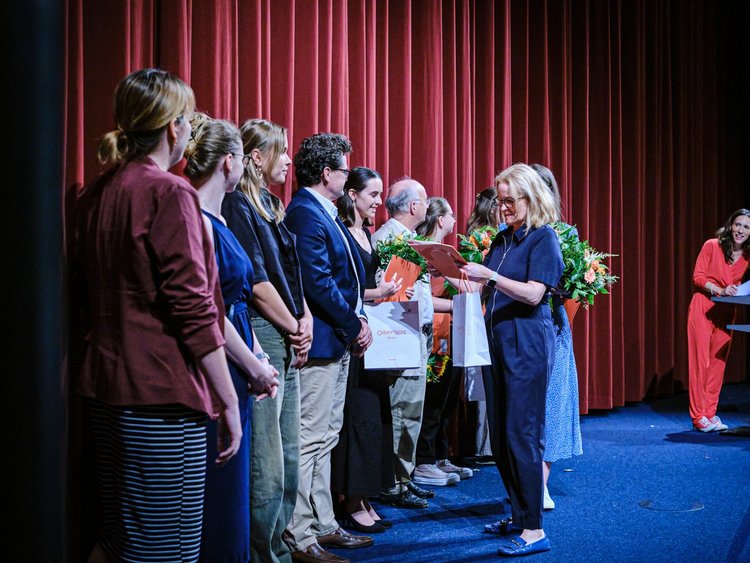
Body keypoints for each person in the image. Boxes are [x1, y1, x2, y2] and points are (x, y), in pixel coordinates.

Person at [68, 68, 242, 563]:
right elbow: (193, 308)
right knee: (167, 550)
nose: (190, 130)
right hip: (160, 397)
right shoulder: (169, 193)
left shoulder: (100, 192)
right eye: (188, 120)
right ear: (173, 128)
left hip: (106, 388)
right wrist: (227, 400)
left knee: (121, 540)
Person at [184, 114, 280, 562]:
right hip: (220, 362)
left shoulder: (220, 219)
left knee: (236, 486)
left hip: (241, 355)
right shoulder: (199, 221)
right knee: (220, 492)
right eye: (242, 158)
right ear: (229, 163)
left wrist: (259, 354)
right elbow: (211, 311)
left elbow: (236, 298)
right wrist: (255, 364)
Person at [222, 118, 313, 563]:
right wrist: (296, 327)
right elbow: (256, 283)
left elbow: (291, 276)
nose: (289, 161)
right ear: (256, 158)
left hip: (288, 330)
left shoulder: (274, 207)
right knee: (268, 463)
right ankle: (264, 553)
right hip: (265, 333)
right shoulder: (238, 205)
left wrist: (306, 317)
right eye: (282, 152)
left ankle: (279, 545)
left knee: (290, 457)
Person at [461, 163, 563, 557]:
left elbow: (535, 294)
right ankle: (520, 515)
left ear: (530, 198)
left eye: (508, 201)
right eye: (499, 200)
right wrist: (451, 268)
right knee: (502, 438)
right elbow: (485, 285)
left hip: (527, 346)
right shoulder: (504, 239)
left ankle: (535, 529)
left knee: (522, 435)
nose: (501, 207)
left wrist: (489, 277)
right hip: (498, 344)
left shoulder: (544, 239)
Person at [284, 134, 374, 563]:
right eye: (343, 170)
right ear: (327, 174)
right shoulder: (305, 212)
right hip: (320, 341)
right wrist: (353, 322)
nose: (346, 176)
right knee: (310, 438)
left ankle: (323, 522)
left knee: (327, 436)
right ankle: (300, 533)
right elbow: (317, 282)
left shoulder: (325, 212)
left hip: (334, 340)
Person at [331, 166, 401, 533]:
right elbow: (345, 288)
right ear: (353, 194)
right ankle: (350, 497)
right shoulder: (341, 231)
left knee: (375, 416)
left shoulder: (366, 232)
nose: (379, 201)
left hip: (373, 333)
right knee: (356, 417)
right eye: (373, 195)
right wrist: (380, 293)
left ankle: (365, 494)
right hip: (351, 336)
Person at [371, 178, 435, 508]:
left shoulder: (410, 239)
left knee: (412, 412)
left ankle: (405, 477)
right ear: (413, 206)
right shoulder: (388, 240)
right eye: (424, 201)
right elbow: (386, 295)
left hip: (414, 336)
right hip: (398, 338)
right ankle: (395, 482)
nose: (427, 206)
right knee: (402, 411)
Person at [530, 164, 583, 510]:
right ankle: (526, 481)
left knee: (552, 404)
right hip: (518, 325)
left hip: (552, 323)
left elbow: (575, 284)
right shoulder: (507, 231)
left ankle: (541, 485)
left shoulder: (565, 234)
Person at [413, 197, 474, 486]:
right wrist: (455, 306)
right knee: (433, 401)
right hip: (435, 335)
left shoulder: (448, 256)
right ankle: (424, 461)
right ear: (441, 220)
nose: (454, 220)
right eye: (451, 215)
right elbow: (423, 299)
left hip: (452, 334)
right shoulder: (425, 251)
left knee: (447, 399)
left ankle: (440, 455)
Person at [687, 208, 750, 431]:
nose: (741, 230)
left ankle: (710, 413)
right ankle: (698, 417)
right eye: (738, 224)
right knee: (700, 363)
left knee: (718, 365)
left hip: (727, 311)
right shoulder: (712, 245)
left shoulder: (747, 257)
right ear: (731, 225)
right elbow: (698, 277)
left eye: (746, 227)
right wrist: (720, 289)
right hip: (704, 307)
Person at [464, 187, 501, 464]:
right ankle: (483, 445)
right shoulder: (483, 239)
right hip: (483, 309)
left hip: (486, 307)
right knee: (482, 381)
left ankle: (485, 444)